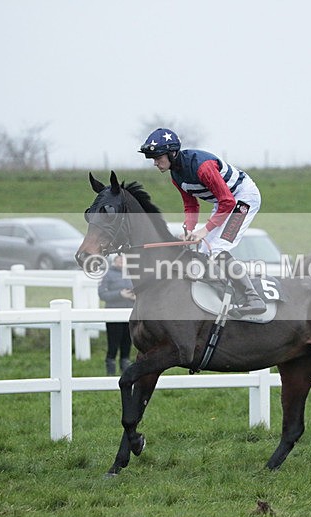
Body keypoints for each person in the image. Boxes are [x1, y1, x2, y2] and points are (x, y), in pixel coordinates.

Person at [139, 127, 266, 318]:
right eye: (153, 159)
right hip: (224, 202)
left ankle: (253, 298)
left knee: (217, 248)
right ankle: (225, 292)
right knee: (205, 250)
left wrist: (204, 230)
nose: (155, 163)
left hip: (243, 198)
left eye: (158, 157)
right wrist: (189, 230)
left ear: (172, 153)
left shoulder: (202, 167)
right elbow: (191, 205)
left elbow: (228, 202)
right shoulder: (176, 176)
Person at [98, 254, 135, 376]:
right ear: (114, 261)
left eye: (123, 260)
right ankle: (111, 369)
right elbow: (102, 294)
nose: (121, 262)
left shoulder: (131, 273)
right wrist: (120, 294)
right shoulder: (107, 275)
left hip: (129, 314)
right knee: (113, 343)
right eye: (119, 260)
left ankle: (125, 368)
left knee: (127, 343)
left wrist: (135, 297)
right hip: (113, 315)